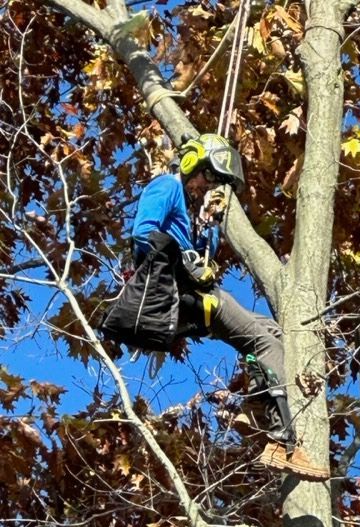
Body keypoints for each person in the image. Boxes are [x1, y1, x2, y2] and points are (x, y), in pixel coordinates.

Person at [102, 133, 328, 479]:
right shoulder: (166, 186)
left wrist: (209, 225)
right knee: (262, 339)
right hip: (174, 290)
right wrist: (187, 262)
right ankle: (282, 442)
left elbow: (198, 255)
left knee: (268, 331)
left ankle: (258, 401)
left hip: (191, 293)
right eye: (207, 177)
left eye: (215, 182)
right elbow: (144, 235)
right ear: (192, 163)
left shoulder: (193, 210)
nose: (205, 186)